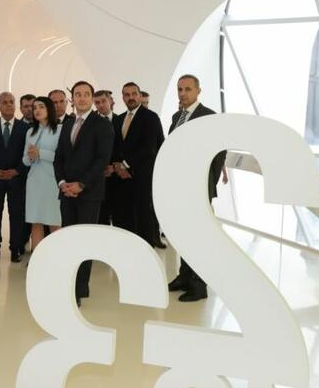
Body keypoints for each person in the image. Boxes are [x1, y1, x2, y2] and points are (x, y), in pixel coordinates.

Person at [166, 74, 227, 302]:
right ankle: (184, 276)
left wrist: (208, 183)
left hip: (198, 188)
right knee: (183, 234)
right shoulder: (177, 116)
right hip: (179, 187)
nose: (183, 93)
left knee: (198, 237)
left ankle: (199, 285)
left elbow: (220, 152)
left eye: (188, 89)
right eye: (180, 89)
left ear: (198, 91)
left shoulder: (208, 116)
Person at [54, 81, 114, 306]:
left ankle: (79, 289)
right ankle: (69, 283)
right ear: (73, 99)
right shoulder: (68, 123)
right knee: (69, 240)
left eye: (86, 94)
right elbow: (59, 157)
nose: (82, 98)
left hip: (89, 193)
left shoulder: (102, 124)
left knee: (83, 241)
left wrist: (81, 184)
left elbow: (101, 160)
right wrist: (62, 183)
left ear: (91, 98)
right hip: (66, 192)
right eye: (77, 94)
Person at [113, 82, 165, 248]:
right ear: (123, 98)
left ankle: (147, 252)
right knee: (125, 217)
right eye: (127, 95)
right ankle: (128, 251)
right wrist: (116, 166)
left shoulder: (151, 117)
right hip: (121, 179)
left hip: (142, 177)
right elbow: (116, 146)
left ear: (140, 95)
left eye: (134, 94)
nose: (131, 97)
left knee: (144, 217)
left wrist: (124, 165)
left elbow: (149, 148)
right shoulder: (119, 119)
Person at [0, 92, 29, 263]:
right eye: (4, 102)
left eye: (11, 102)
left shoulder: (24, 128)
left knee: (16, 214)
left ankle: (15, 248)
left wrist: (16, 171)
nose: (9, 105)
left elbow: (27, 153)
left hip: (16, 179)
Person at [23, 97, 62, 250]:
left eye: (41, 107)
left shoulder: (60, 130)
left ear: (49, 109)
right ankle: (36, 258)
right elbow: (25, 161)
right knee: (36, 221)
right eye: (35, 108)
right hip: (34, 181)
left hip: (52, 182)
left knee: (54, 221)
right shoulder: (30, 132)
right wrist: (30, 156)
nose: (37, 110)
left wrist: (41, 153)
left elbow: (61, 158)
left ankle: (57, 259)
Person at [93, 90, 118, 227]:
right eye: (97, 102)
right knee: (100, 218)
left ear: (110, 101)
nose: (101, 105)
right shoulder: (91, 123)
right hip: (98, 177)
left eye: (103, 101)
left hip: (118, 175)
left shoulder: (121, 120)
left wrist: (113, 166)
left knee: (119, 216)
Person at [19, 93, 36, 250]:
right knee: (22, 212)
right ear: (21, 108)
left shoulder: (46, 127)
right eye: (26, 106)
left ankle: (39, 245)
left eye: (33, 106)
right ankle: (21, 242)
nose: (30, 109)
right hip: (20, 177)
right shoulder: (17, 126)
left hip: (41, 178)